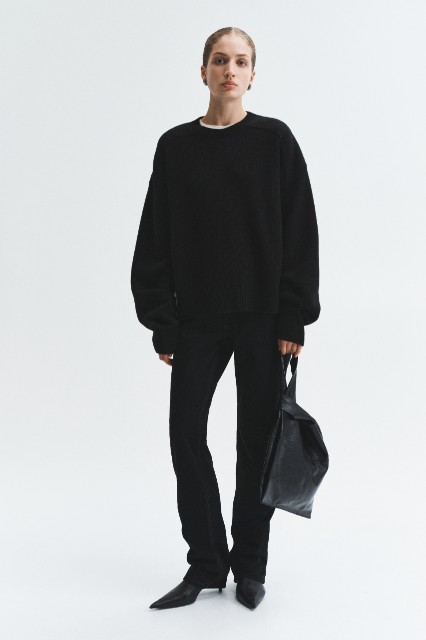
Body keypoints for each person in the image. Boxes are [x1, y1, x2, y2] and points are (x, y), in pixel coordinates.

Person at [130, 26, 320, 610]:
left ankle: (250, 568)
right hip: (198, 320)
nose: (229, 70)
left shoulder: (275, 141)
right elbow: (154, 237)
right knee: (185, 435)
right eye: (220, 60)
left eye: (240, 61)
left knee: (255, 444)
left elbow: (301, 230)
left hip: (264, 319)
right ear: (204, 71)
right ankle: (207, 563)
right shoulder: (175, 146)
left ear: (253, 74)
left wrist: (293, 316)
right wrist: (162, 319)